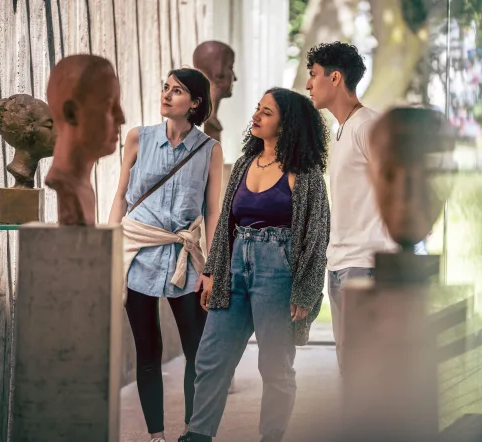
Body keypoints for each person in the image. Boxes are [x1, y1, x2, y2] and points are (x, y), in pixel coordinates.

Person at [182, 87, 330, 442]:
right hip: (236, 264)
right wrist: (211, 273)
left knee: (275, 365)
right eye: (257, 109)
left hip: (277, 267)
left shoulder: (305, 173)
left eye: (267, 112)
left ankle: (271, 436)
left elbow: (317, 236)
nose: (256, 117)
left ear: (287, 123)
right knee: (211, 357)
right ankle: (198, 434)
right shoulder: (245, 163)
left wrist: (306, 291)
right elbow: (225, 228)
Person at [108, 67, 223, 442]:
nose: (167, 94)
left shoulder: (209, 150)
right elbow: (121, 198)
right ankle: (156, 437)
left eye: (177, 91)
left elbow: (213, 213)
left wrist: (213, 269)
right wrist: (110, 249)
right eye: (166, 88)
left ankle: (193, 431)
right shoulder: (138, 138)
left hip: (184, 261)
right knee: (148, 351)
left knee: (198, 351)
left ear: (195, 103)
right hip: (138, 254)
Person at [304, 41, 396, 370]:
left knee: (367, 374)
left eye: (313, 75)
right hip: (341, 264)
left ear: (335, 78)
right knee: (352, 373)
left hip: (365, 267)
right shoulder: (340, 129)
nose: (308, 84)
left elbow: (398, 185)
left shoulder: (367, 126)